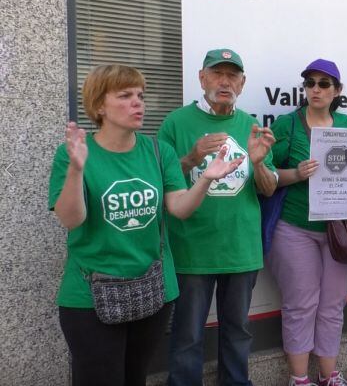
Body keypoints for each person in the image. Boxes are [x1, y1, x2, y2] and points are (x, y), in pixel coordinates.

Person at [49, 64, 243, 386]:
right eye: (125, 96)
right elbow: (72, 219)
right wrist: (76, 170)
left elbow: (179, 208)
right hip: (90, 295)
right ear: (99, 106)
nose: (138, 102)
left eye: (140, 95)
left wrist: (206, 180)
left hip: (151, 290)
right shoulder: (72, 155)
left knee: (135, 377)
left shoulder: (158, 151)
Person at [161, 49, 278, 386]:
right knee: (187, 334)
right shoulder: (176, 123)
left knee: (238, 332)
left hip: (240, 250)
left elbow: (268, 189)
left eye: (232, 76)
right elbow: (160, 178)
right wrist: (191, 157)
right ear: (202, 78)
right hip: (191, 249)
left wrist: (257, 163)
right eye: (217, 74)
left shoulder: (250, 125)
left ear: (242, 84)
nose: (224, 82)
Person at [269, 59, 347, 386]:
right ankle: (299, 379)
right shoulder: (287, 125)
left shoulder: (346, 123)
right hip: (294, 227)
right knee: (301, 304)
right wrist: (295, 173)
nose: (316, 89)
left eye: (324, 84)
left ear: (337, 91)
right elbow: (266, 179)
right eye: (310, 83)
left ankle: (328, 375)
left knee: (332, 305)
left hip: (338, 230)